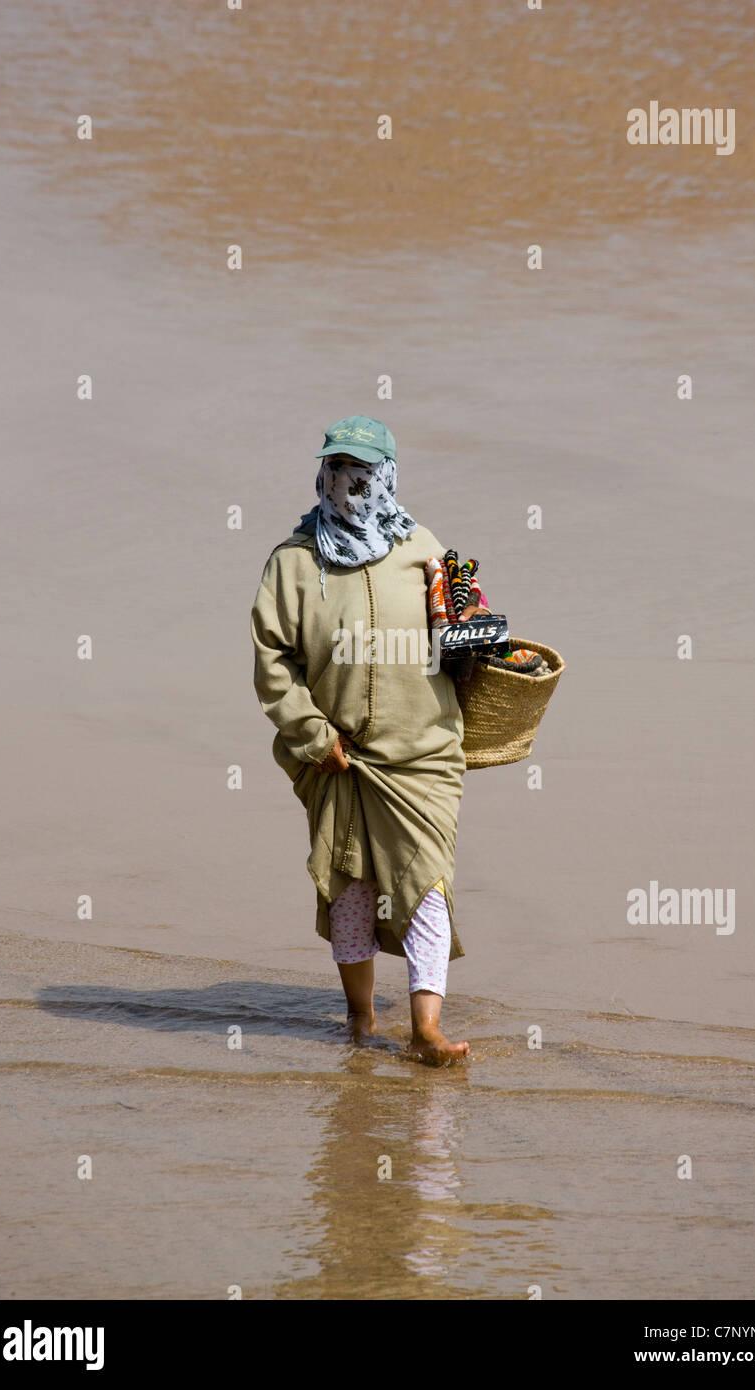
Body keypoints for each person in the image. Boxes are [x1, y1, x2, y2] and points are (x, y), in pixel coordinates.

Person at [250, 416, 488, 1064]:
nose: (347, 483)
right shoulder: (295, 563)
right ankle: (361, 1021)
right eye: (336, 468)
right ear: (322, 473)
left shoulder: (423, 551)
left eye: (361, 470)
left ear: (385, 474)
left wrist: (472, 629)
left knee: (428, 884)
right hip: (339, 758)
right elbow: (273, 663)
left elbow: (457, 636)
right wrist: (310, 733)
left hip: (424, 754)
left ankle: (427, 1031)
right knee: (350, 889)